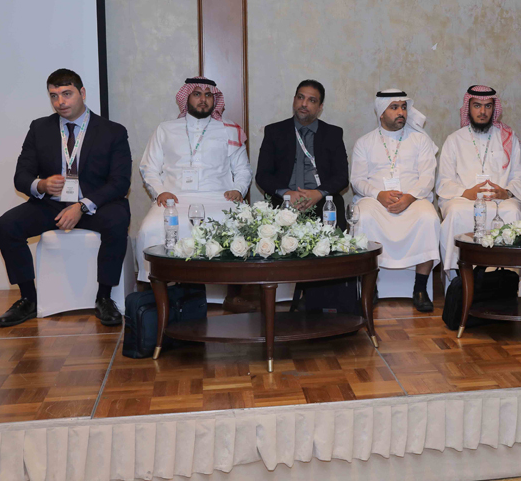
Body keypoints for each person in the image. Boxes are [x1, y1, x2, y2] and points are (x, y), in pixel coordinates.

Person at [0, 69, 131, 327]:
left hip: (95, 204)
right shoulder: (39, 128)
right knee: (8, 225)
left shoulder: (112, 131)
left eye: (67, 94)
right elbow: (21, 176)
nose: (60, 102)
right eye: (54, 96)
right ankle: (28, 299)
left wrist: (82, 206)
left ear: (82, 93)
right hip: (51, 205)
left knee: (117, 221)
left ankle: (104, 298)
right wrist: (42, 184)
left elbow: (120, 182)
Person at [135, 77, 252, 282]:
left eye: (208, 95)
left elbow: (243, 169)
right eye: (197, 94)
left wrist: (238, 190)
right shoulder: (166, 129)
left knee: (243, 226)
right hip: (173, 199)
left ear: (215, 100)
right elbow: (149, 167)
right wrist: (160, 192)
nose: (203, 100)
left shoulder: (229, 129)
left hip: (220, 198)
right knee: (150, 228)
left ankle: (231, 288)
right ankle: (159, 287)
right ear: (186, 98)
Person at [350, 90, 440, 312]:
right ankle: (371, 287)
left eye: (404, 107)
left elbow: (428, 177)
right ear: (381, 112)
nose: (401, 112)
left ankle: (420, 289)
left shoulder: (420, 140)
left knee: (429, 217)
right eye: (394, 107)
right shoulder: (364, 142)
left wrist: (409, 197)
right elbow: (357, 180)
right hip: (375, 200)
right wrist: (378, 194)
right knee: (364, 216)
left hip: (413, 198)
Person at [437, 85, 521, 275]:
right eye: (477, 106)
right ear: (468, 108)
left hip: (501, 201)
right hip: (464, 200)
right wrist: (466, 192)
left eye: (488, 106)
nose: (482, 111)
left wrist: (507, 192)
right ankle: (458, 277)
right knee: (455, 212)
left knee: (513, 211)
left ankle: (506, 276)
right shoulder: (454, 140)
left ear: (494, 108)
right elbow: (444, 182)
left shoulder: (508, 138)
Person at [256, 79, 349, 229]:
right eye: (300, 97)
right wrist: (287, 194)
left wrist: (318, 193)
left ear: (320, 107)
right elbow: (263, 175)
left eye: (312, 100)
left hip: (322, 203)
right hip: (284, 204)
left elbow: (342, 176)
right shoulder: (274, 132)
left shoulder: (332, 134)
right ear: (294, 100)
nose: (304, 104)